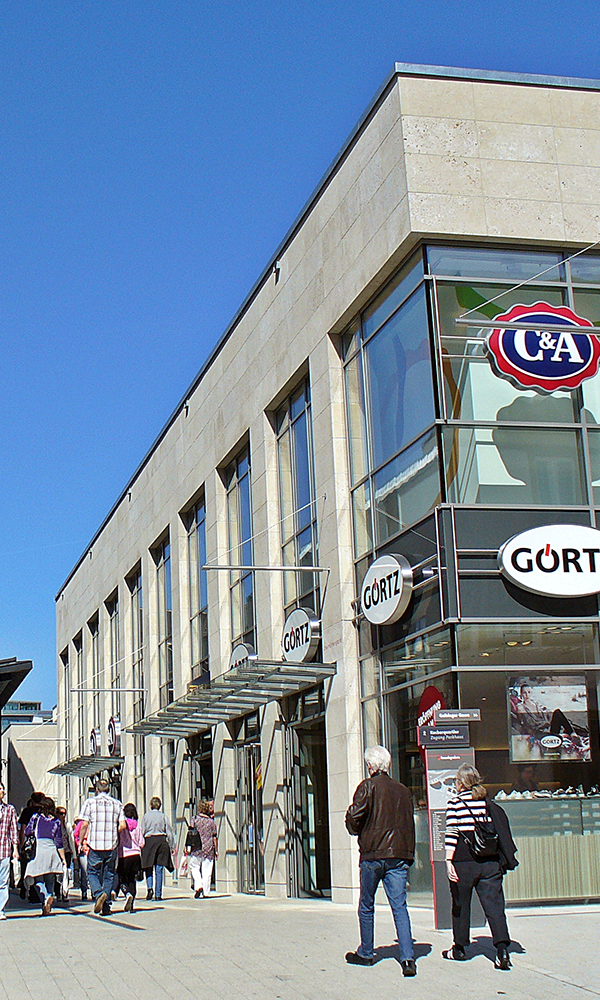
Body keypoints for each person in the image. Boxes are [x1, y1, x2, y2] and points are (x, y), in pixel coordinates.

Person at [345, 746, 417, 977]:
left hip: (373, 855)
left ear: (370, 766)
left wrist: (353, 822)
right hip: (397, 855)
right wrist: (408, 854)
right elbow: (409, 824)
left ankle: (366, 953)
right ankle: (407, 958)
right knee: (399, 906)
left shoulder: (367, 787)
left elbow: (354, 819)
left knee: (367, 904)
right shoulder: (403, 790)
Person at [444, 763, 518, 970]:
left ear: (459, 783)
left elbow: (452, 834)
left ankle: (459, 948)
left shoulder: (455, 803)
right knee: (494, 906)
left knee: (460, 905)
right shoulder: (487, 803)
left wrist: (448, 860)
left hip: (463, 862)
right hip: (489, 862)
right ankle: (502, 950)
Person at [79, 778, 126, 916]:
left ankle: (99, 894)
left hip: (95, 844)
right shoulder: (117, 804)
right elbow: (122, 825)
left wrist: (81, 841)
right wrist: (113, 832)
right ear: (109, 790)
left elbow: (85, 824)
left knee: (92, 872)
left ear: (97, 789)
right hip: (111, 845)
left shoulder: (90, 802)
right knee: (109, 875)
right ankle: (106, 907)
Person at [24, 796, 66, 916]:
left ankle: (45, 897)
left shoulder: (36, 818)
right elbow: (59, 841)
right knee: (50, 879)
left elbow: (27, 831)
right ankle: (48, 901)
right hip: (52, 850)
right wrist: (63, 859)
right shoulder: (56, 821)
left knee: (36, 877)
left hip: (39, 850)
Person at [140, 797, 175, 901]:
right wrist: (172, 845)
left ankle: (150, 888)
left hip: (149, 841)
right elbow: (169, 832)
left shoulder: (146, 816)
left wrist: (140, 845)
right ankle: (158, 894)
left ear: (150, 805)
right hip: (161, 840)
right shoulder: (163, 816)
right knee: (159, 868)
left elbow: (142, 830)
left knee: (148, 866)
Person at [187, 799, 218, 899]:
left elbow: (190, 833)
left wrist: (187, 846)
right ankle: (206, 892)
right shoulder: (211, 822)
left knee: (194, 866)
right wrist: (216, 850)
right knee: (207, 871)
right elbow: (214, 837)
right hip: (209, 848)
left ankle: (198, 885)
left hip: (197, 847)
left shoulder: (194, 819)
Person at [117, 803, 144, 912]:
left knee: (122, 878)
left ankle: (127, 893)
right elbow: (141, 842)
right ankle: (132, 902)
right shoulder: (137, 824)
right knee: (132, 879)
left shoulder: (121, 825)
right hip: (135, 855)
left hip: (124, 854)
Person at [17, 790, 44, 900]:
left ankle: (24, 888)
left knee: (25, 867)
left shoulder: (27, 812)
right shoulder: (44, 812)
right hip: (41, 842)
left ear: (32, 800)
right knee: (38, 869)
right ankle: (35, 893)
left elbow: (23, 828)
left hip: (28, 843)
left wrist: (21, 844)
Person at [0, 781, 20, 919]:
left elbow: (13, 830)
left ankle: (0, 909)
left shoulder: (9, 809)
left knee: (3, 881)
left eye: (1, 789)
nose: (1, 791)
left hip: (4, 849)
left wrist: (15, 849)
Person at [55, 806, 75, 900]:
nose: (63, 816)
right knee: (57, 873)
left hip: (66, 851)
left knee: (65, 871)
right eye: (61, 813)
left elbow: (71, 840)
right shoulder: (54, 824)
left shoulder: (67, 826)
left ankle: (65, 892)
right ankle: (57, 891)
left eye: (64, 814)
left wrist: (74, 855)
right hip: (57, 852)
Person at [72, 816, 89, 900]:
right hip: (84, 849)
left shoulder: (94, 823)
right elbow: (75, 835)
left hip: (93, 849)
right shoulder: (81, 824)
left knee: (95, 871)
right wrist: (79, 844)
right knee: (84, 871)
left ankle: (94, 891)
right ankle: (84, 891)